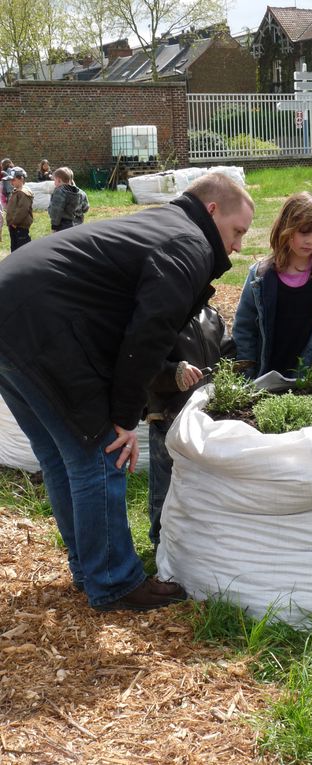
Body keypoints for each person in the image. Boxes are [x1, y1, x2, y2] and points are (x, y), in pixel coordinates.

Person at [0, 172, 254, 611]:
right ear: (211, 211)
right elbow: (148, 336)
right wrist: (122, 418)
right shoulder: (188, 243)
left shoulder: (163, 226)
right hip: (41, 328)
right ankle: (114, 583)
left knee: (64, 457)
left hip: (13, 315)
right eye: (237, 232)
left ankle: (89, 569)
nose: (238, 246)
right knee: (102, 453)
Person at [233, 191, 312, 379]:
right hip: (267, 375)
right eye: (304, 232)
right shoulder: (260, 276)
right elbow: (244, 328)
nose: (310, 240)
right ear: (286, 228)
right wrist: (244, 375)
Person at [147, 298, 235, 548]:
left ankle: (196, 543)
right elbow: (140, 363)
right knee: (165, 485)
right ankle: (159, 539)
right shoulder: (158, 314)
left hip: (205, 417)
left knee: (203, 482)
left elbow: (227, 351)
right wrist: (173, 372)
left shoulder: (210, 314)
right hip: (168, 414)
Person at [5, 167, 33, 252]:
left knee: (21, 249)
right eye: (10, 180)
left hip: (19, 226)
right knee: (14, 247)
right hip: (14, 226)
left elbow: (23, 210)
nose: (11, 182)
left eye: (13, 180)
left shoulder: (23, 193)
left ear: (21, 179)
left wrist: (15, 223)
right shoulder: (16, 191)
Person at [48, 167, 81, 231]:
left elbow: (56, 209)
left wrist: (54, 225)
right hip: (72, 223)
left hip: (61, 224)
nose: (54, 183)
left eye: (55, 180)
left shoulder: (59, 191)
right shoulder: (76, 191)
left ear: (59, 180)